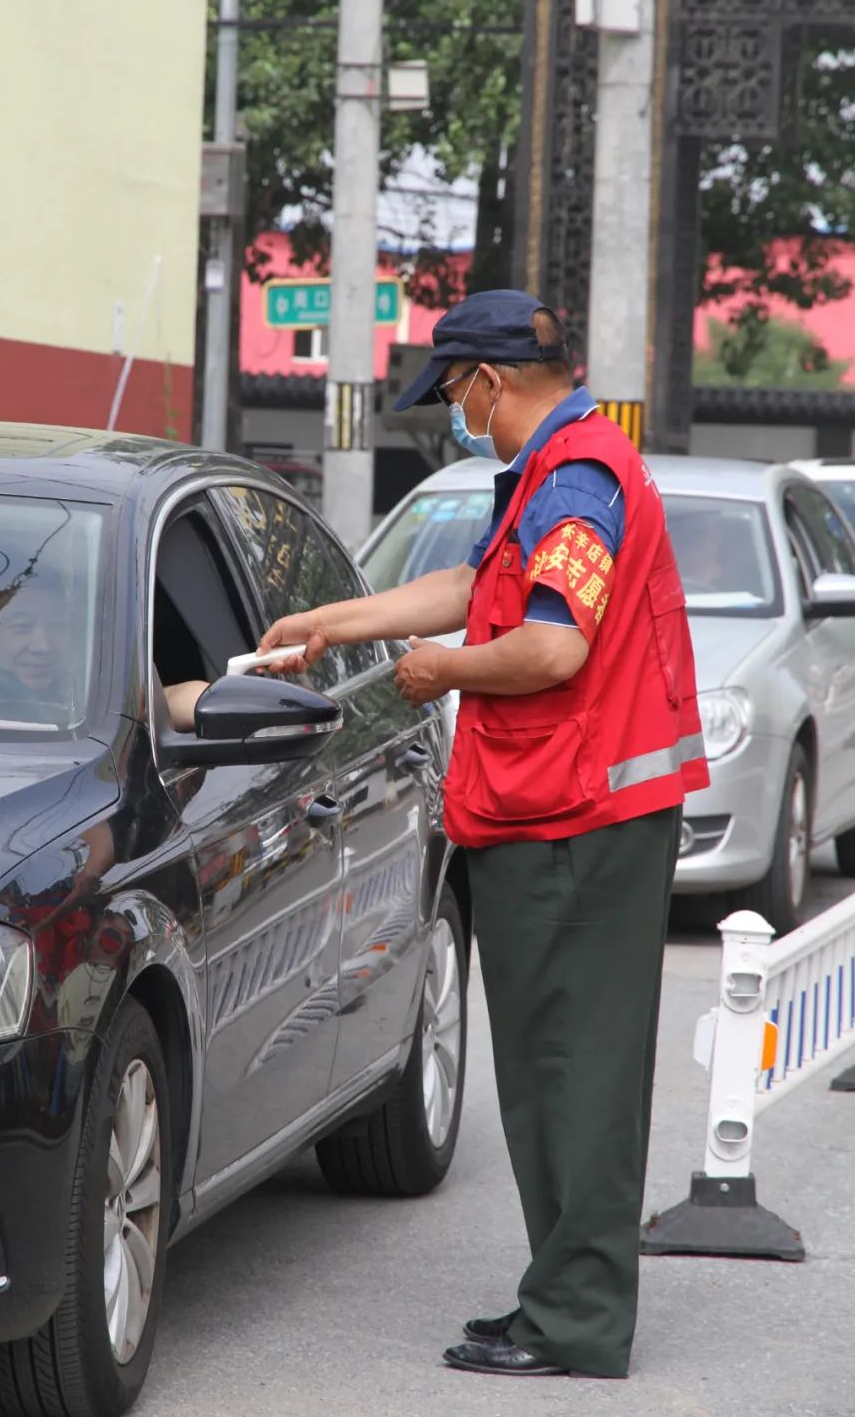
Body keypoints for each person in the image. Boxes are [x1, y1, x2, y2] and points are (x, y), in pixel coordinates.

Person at [260, 289, 708, 1381]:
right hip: (555, 816)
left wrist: (436, 674)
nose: (456, 413)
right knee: (548, 1074)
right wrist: (331, 622)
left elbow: (550, 648)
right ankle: (557, 1297)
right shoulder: (550, 476)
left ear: (493, 383)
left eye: (456, 394)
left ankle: (578, 1319)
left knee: (576, 1077)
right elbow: (475, 588)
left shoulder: (582, 482)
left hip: (583, 826)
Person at [0, 573, 207, 730]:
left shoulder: (87, 706)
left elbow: (183, 699)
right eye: (21, 628)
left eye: (58, 627)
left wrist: (217, 703)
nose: (42, 646)